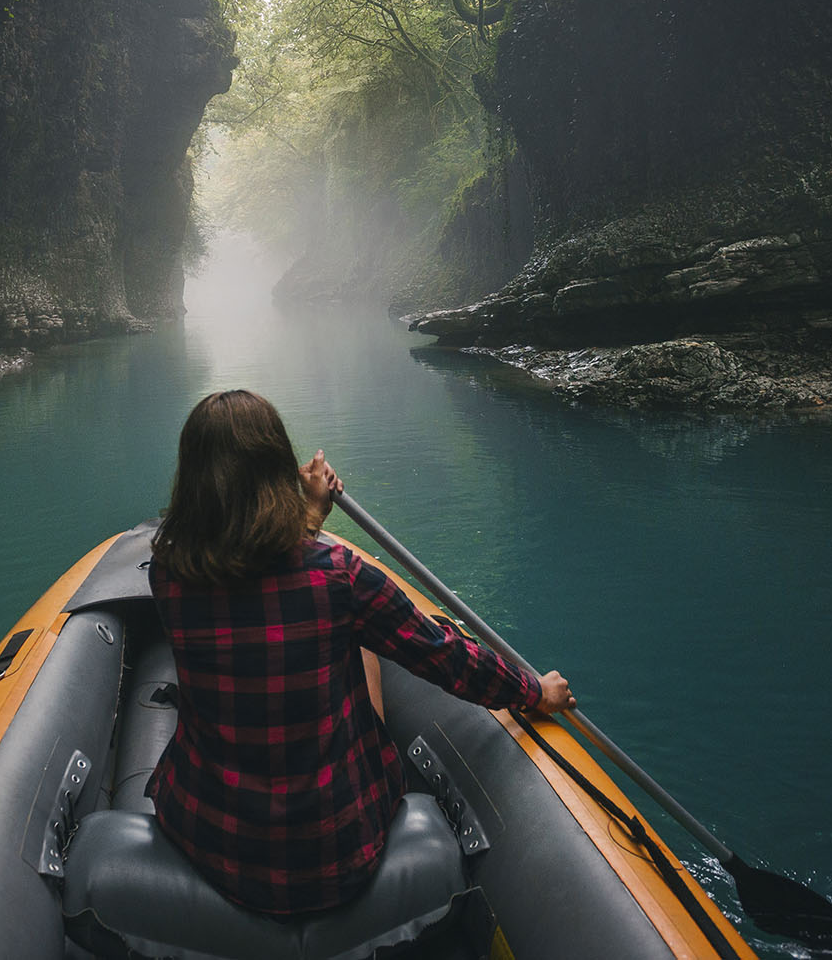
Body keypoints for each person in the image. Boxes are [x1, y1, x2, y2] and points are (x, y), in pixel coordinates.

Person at [146, 389, 575, 917]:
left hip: (211, 840)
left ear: (191, 481)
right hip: (340, 848)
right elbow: (446, 656)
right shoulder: (340, 577)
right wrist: (534, 690)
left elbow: (248, 581)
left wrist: (305, 520)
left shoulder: (169, 574)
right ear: (278, 469)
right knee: (364, 646)